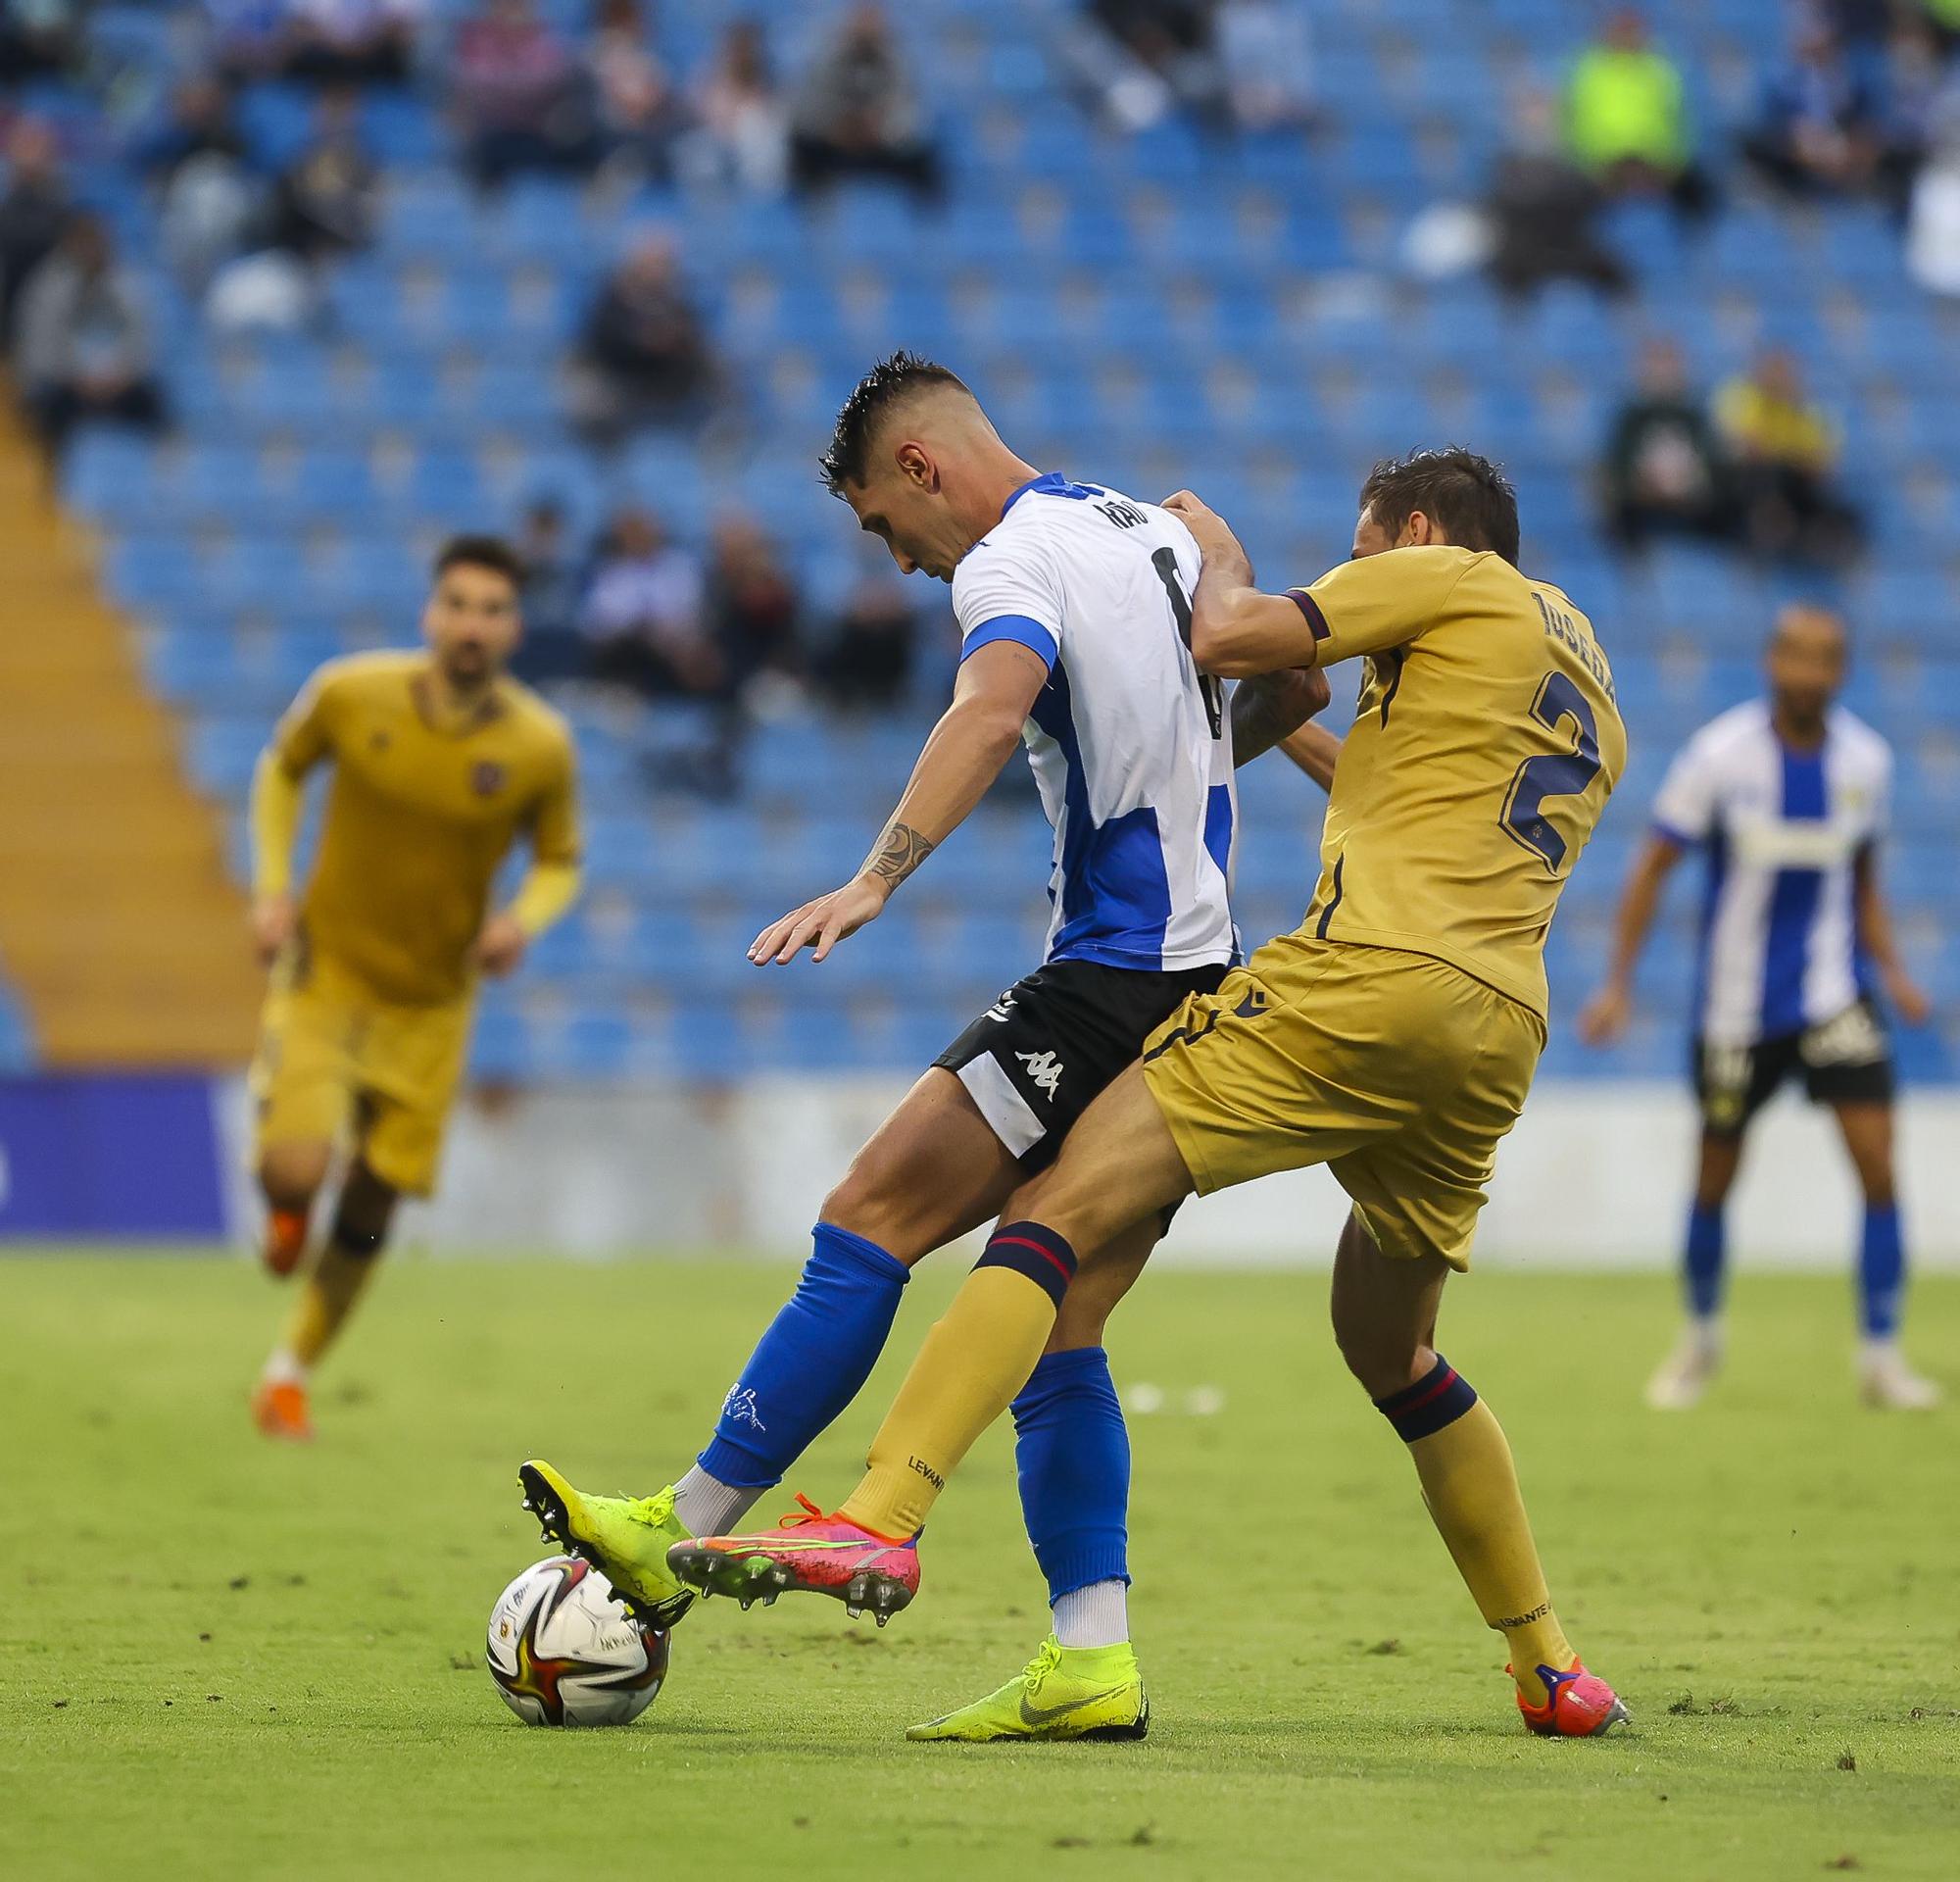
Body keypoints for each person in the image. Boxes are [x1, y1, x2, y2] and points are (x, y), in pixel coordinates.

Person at [674, 448, 1640, 1745]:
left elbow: (1231, 628)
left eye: (1363, 548)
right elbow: (1400, 786)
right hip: (1494, 1028)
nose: (1355, 573)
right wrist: (1266, 727)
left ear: (1414, 534)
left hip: (1366, 985)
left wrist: (1227, 554)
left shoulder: (1448, 574)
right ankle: (1548, 1666)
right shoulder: (1577, 664)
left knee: (1059, 1204)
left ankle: (880, 1518)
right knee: (1392, 1350)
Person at [516, 352, 1327, 1743]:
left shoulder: (1005, 563)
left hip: (1110, 984)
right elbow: (1292, 692)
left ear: (922, 470)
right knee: (1060, 1321)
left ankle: (679, 1530)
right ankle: (1092, 1659)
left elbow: (989, 706)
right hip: (1201, 979)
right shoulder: (1155, 530)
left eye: (888, 533)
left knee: (871, 1215)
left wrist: (874, 878)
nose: (900, 565)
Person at [245, 536, 581, 1440]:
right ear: (432, 614)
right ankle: (282, 1208)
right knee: (298, 1169)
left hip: (432, 1004)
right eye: (459, 605)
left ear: (513, 627)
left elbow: (559, 862)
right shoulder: (352, 695)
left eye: (493, 610)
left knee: (372, 1199)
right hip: (327, 974)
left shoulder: (538, 745)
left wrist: (521, 921)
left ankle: (289, 1373)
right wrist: (273, 890)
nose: (473, 625)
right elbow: (281, 772)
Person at [1578, 606, 1938, 1412]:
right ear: (1774, 664)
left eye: (1826, 660)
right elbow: (1650, 870)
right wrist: (1617, 984)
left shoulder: (1866, 763)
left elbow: (1865, 883)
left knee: (1880, 1169)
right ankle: (1700, 1340)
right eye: (1797, 657)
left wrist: (1897, 973)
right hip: (1735, 1010)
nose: (1810, 673)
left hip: (1835, 998)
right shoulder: (1720, 756)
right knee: (1714, 1180)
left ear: (1839, 672)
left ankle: (1881, 1355)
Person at [13, 215, 168, 458]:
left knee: (152, 402)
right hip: (64, 383)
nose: (90, 250)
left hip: (119, 381)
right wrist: (77, 377)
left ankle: (148, 474)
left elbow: (142, 337)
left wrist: (121, 374)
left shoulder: (124, 284)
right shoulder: (47, 287)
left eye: (95, 242)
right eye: (83, 243)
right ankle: (57, 473)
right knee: (52, 408)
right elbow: (40, 349)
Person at [1714, 349, 1863, 568]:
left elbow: (1821, 465)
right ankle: (1768, 531)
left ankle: (1813, 546)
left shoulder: (1808, 409)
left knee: (1844, 511)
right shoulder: (1741, 397)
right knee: (1765, 476)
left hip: (1794, 485)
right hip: (1747, 487)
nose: (1782, 378)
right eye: (1776, 371)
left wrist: (1786, 453)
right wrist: (1790, 453)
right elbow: (1749, 450)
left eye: (1787, 372)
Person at [1564, 8, 1715, 224]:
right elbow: (1574, 126)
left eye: (1633, 30)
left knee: (1701, 195)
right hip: (1605, 165)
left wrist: (1671, 167)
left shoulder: (1661, 68)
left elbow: (1683, 123)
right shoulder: (1589, 71)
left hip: (1656, 162)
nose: (1628, 36)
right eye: (1621, 30)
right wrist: (1593, 168)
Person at [567, 230, 716, 443]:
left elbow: (691, 340)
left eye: (664, 264)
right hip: (619, 381)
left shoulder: (677, 303)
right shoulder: (610, 301)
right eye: (653, 264)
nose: (658, 271)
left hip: (665, 382)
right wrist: (644, 339)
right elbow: (604, 340)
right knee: (591, 396)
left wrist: (672, 340)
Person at [788, 4, 943, 203]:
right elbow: (814, 101)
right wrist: (840, 125)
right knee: (802, 149)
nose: (867, 30)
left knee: (923, 157)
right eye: (861, 23)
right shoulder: (830, 59)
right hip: (836, 143)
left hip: (881, 145)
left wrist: (880, 126)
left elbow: (909, 106)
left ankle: (923, 223)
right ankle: (811, 215)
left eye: (872, 24)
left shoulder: (898, 62)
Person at [1486, 89, 1632, 301]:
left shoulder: (1577, 167)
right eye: (1529, 116)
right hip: (1526, 252)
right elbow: (1505, 208)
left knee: (1614, 273)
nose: (1537, 123)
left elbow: (1587, 204)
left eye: (1544, 115)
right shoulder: (1504, 167)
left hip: (1570, 248)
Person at [1600, 337, 1739, 553]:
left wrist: (1688, 488)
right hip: (1641, 510)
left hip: (1694, 510)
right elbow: (1617, 469)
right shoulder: (1631, 418)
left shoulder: (1695, 418)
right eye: (1656, 363)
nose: (1663, 372)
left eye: (1668, 363)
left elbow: (1713, 469)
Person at [579, 506, 717, 698]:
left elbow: (691, 609)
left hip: (675, 643)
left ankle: (700, 704)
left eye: (644, 530)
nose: (639, 537)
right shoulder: (611, 573)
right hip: (629, 649)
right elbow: (598, 622)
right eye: (632, 532)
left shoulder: (680, 566)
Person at [0, 119, 73, 347]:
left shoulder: (66, 206)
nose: (31, 158)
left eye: (39, 149)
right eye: (25, 148)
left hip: (54, 312)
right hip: (10, 304)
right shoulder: (8, 206)